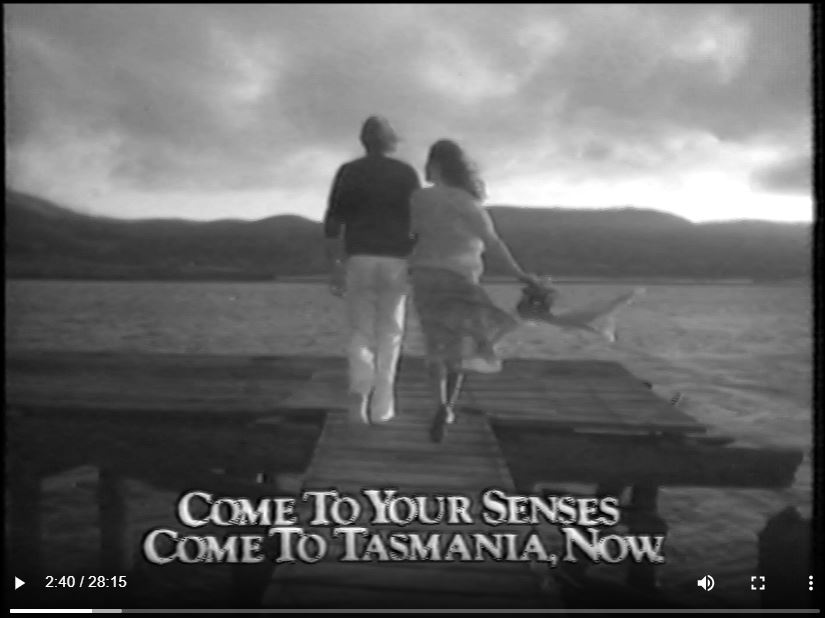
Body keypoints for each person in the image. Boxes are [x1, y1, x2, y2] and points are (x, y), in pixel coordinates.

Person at [408, 139, 544, 442]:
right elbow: (493, 244)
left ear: (436, 166)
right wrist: (520, 275)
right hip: (459, 278)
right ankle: (450, 407)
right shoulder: (469, 204)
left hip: (425, 277)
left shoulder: (419, 198)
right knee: (467, 340)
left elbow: (410, 234)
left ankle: (440, 404)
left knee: (434, 342)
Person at [323, 116, 421, 425]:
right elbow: (417, 221)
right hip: (396, 260)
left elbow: (332, 223)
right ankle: (382, 409)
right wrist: (415, 257)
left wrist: (335, 265)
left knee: (359, 332)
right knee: (390, 333)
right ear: (391, 141)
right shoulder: (405, 173)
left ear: (363, 141)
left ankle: (359, 398)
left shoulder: (349, 172)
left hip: (359, 258)